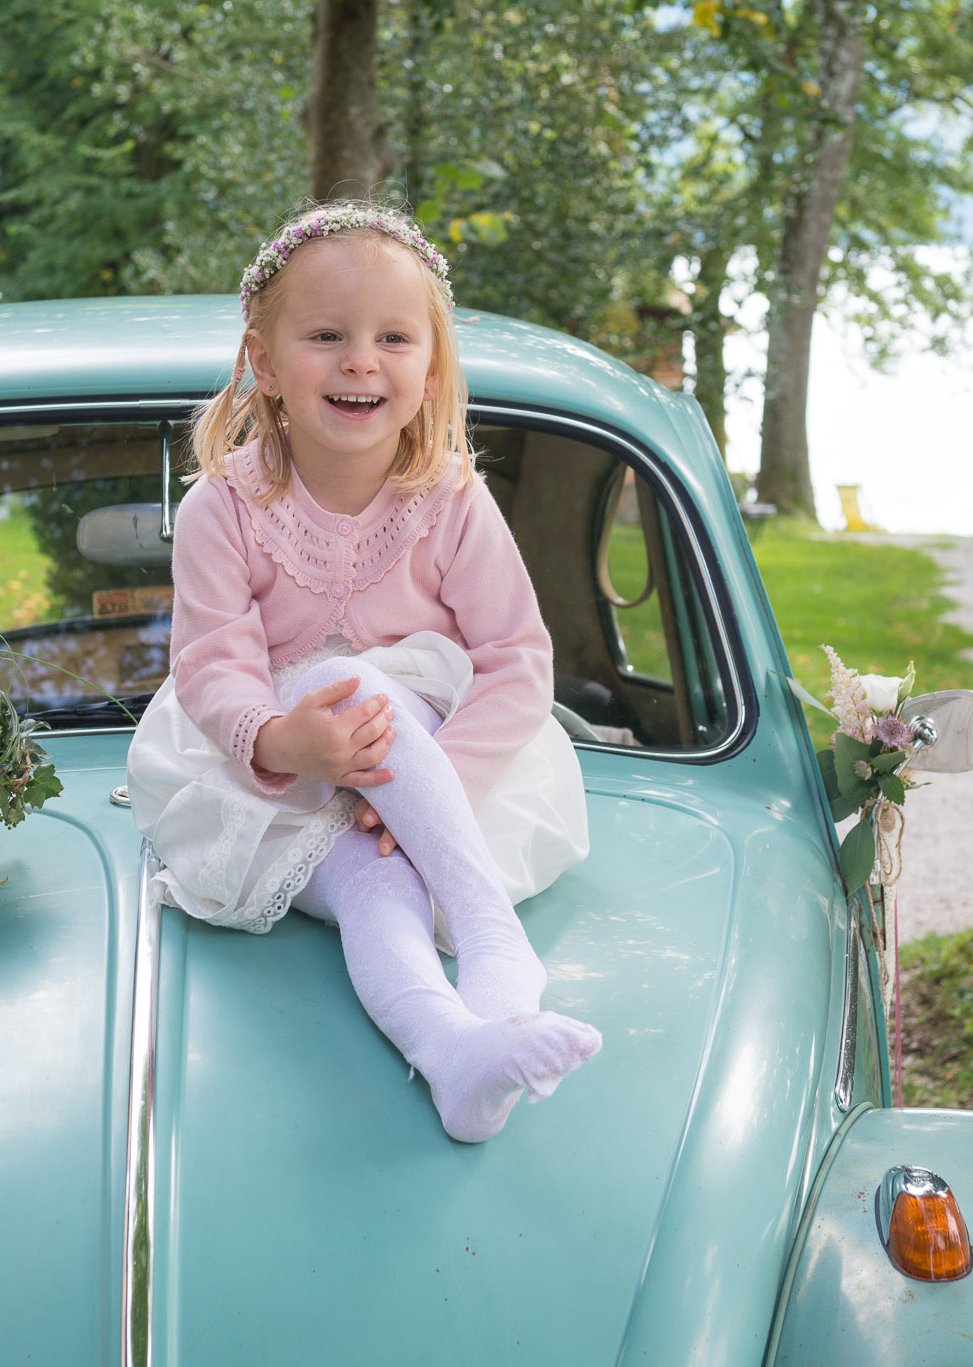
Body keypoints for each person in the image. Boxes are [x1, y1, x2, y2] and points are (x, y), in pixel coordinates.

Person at [126, 202, 598, 1143]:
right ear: (264, 362)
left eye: (392, 337)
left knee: (374, 710)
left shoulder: (452, 500)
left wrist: (429, 789)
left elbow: (517, 659)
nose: (359, 360)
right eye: (327, 335)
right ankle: (453, 1045)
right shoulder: (225, 506)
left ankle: (483, 967)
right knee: (371, 890)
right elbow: (215, 660)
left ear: (429, 369)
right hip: (277, 784)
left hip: (442, 780)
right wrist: (280, 739)